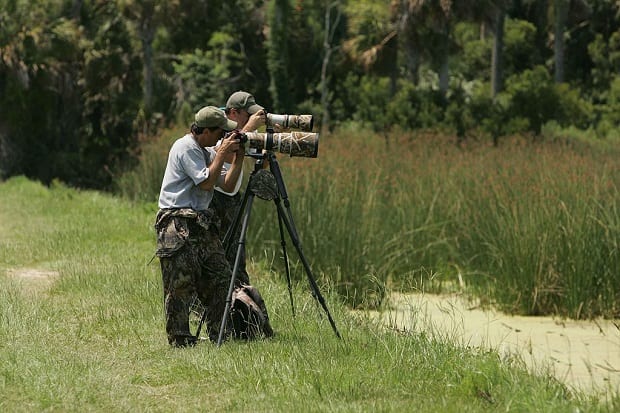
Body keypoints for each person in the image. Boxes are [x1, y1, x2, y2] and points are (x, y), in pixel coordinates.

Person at [154, 106, 245, 347]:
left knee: (221, 278)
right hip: (177, 223)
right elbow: (206, 182)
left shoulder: (204, 150)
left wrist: (238, 158)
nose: (222, 138)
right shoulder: (185, 147)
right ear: (205, 131)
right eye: (220, 133)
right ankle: (180, 341)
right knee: (180, 287)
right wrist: (221, 153)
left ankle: (220, 335)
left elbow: (227, 184)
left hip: (202, 224)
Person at [210, 91, 267, 285]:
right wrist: (248, 129)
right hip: (212, 198)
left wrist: (270, 143)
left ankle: (241, 304)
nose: (253, 119)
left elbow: (261, 166)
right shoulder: (216, 127)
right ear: (233, 113)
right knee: (212, 257)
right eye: (249, 114)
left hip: (232, 199)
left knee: (236, 258)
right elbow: (221, 154)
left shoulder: (248, 132)